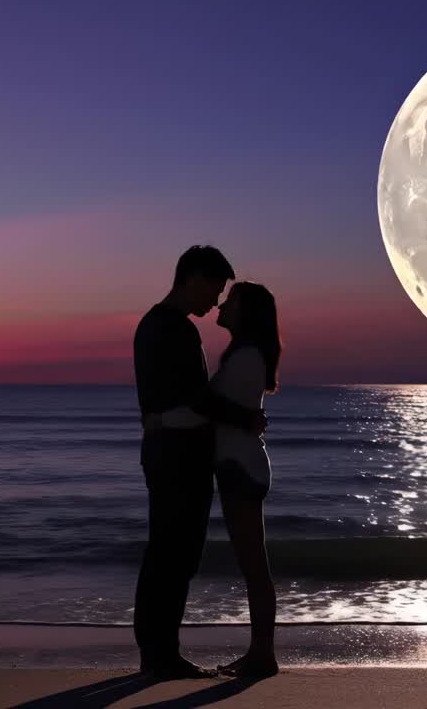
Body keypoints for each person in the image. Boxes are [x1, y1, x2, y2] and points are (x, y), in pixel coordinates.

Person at [132, 246, 266, 680]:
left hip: (170, 450)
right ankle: (160, 654)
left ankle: (157, 651)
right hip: (177, 453)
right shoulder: (171, 329)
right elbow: (197, 398)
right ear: (193, 278)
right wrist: (245, 417)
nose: (214, 303)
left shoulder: (160, 326)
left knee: (169, 550)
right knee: (174, 552)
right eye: (214, 289)